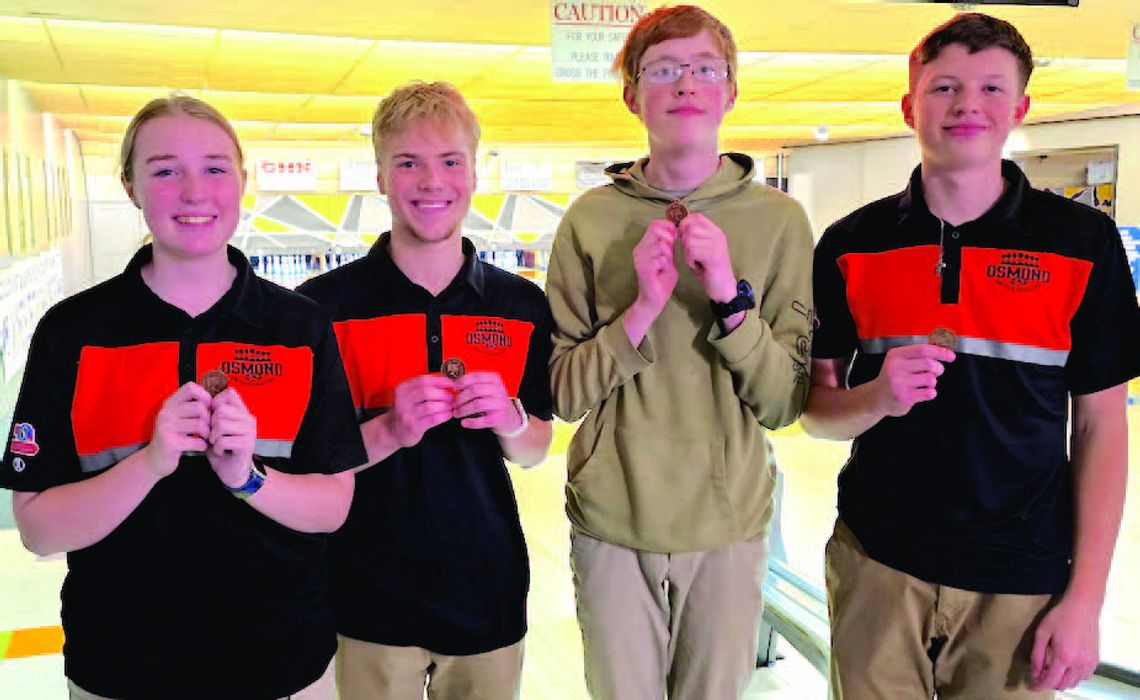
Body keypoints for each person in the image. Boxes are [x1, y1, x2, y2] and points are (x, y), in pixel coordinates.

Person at [803, 13, 1140, 699]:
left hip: (1021, 577)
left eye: (991, 88)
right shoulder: (850, 244)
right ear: (909, 106)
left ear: (1019, 108)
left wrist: (1085, 600)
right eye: (944, 87)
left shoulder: (1082, 242)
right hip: (878, 563)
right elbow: (817, 413)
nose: (966, 106)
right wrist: (877, 398)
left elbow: (1103, 427)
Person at [0, 94, 366, 699]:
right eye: (166, 170)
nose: (195, 192)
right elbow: (39, 529)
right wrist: (149, 463)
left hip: (282, 667)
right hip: (119, 670)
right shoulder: (74, 333)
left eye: (216, 168)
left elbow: (333, 507)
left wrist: (247, 476)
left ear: (242, 181)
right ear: (130, 186)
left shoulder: (299, 328)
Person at [545, 5, 815, 698]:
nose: (685, 84)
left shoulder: (779, 222)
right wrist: (640, 311)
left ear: (730, 90)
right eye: (662, 70)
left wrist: (729, 297)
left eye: (704, 69)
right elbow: (564, 394)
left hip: (727, 529)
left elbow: (784, 402)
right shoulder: (590, 220)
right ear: (633, 95)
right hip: (612, 521)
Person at [297, 81, 554, 700]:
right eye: (407, 162)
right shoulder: (322, 309)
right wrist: (388, 428)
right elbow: (309, 463)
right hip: (363, 591)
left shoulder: (520, 303)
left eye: (449, 161)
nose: (431, 181)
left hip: (486, 583)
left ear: (474, 171)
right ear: (381, 177)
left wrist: (511, 419)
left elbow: (535, 448)